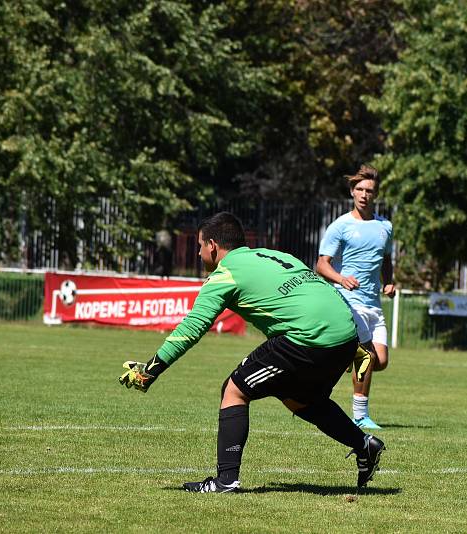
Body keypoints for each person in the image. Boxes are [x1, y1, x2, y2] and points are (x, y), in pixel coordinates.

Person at [117, 212, 385, 493]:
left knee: (235, 389)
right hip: (344, 334)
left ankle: (225, 481)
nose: (198, 253)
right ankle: (364, 445)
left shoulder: (224, 275)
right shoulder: (273, 255)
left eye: (198, 246)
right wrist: (354, 341)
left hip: (308, 338)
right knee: (300, 398)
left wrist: (151, 370)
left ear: (212, 246)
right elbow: (317, 288)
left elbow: (191, 328)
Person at [316, 164, 395, 430]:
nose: (364, 194)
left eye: (369, 190)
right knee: (367, 357)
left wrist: (389, 282)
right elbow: (321, 265)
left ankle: (347, 357)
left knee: (380, 361)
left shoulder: (385, 226)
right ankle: (360, 415)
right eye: (359, 189)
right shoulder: (341, 225)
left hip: (374, 303)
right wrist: (341, 279)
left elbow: (386, 259)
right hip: (350, 301)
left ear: (376, 194)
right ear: (352, 191)